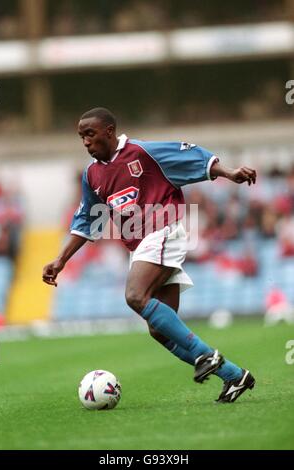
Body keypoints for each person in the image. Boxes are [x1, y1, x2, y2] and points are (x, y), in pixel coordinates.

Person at [43, 107, 257, 403]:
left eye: (90, 134)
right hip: (142, 245)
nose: (85, 142)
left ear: (109, 131)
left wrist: (229, 172)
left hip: (163, 229)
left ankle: (205, 355)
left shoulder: (142, 153)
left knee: (134, 295)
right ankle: (234, 375)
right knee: (159, 331)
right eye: (81, 137)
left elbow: (192, 154)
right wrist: (61, 259)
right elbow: (86, 221)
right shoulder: (92, 175)